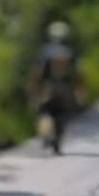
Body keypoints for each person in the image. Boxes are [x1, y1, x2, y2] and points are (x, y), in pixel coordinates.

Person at [28, 21, 84, 154]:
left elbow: (38, 72)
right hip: (65, 88)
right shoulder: (70, 52)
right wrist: (80, 92)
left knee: (44, 111)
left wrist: (33, 90)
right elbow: (78, 74)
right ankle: (57, 141)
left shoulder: (45, 51)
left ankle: (47, 134)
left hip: (49, 87)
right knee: (62, 114)